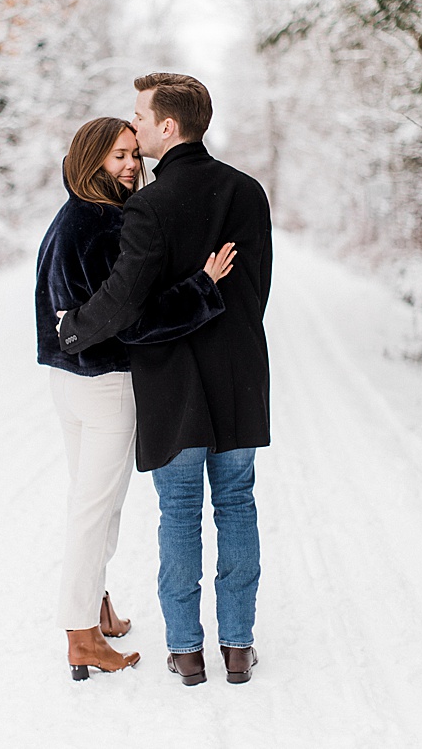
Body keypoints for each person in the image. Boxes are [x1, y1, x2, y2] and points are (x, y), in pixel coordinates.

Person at [58, 73, 273, 687]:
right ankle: (238, 647)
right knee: (236, 506)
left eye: (142, 118)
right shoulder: (249, 192)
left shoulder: (147, 207)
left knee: (178, 512)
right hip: (238, 375)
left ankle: (185, 652)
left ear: (168, 127)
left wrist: (73, 329)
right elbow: (256, 292)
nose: (138, 128)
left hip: (170, 382)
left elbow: (126, 306)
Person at [36, 117, 235, 681]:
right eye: (116, 156)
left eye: (132, 154)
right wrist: (202, 288)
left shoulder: (70, 213)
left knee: (92, 500)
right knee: (97, 509)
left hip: (68, 382)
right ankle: (81, 635)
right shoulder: (103, 224)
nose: (130, 165)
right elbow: (132, 320)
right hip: (103, 385)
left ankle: (94, 604)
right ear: (91, 158)